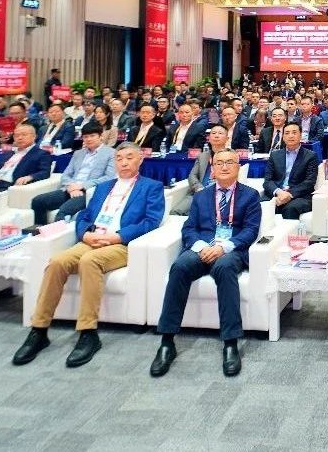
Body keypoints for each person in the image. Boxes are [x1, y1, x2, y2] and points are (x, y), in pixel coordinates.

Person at [14, 143, 164, 368]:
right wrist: (85, 234)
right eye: (119, 158)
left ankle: (88, 332)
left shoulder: (151, 187)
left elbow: (151, 221)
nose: (124, 162)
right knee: (57, 262)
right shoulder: (103, 187)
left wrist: (117, 236)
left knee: (89, 261)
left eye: (129, 157)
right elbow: (84, 215)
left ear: (140, 159)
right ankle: (39, 329)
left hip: (121, 244)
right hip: (92, 239)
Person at [151, 152, 261, 378]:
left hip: (231, 250)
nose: (224, 167)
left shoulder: (250, 196)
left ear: (238, 166)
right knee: (180, 267)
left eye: (229, 162)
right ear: (212, 168)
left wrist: (223, 247)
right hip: (202, 247)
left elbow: (250, 230)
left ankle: (230, 342)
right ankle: (167, 341)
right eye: (219, 163)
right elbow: (189, 228)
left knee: (224, 268)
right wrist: (201, 247)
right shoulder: (201, 196)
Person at [30, 122, 116, 225]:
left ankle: (56, 235)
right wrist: (71, 187)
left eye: (92, 136)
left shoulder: (111, 153)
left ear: (101, 136)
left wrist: (82, 186)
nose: (88, 139)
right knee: (38, 201)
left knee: (63, 212)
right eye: (85, 137)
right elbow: (66, 174)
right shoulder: (78, 153)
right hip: (70, 189)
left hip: (89, 191)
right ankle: (40, 231)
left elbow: (109, 178)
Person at [263, 122, 319, 220]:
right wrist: (279, 192)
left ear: (300, 135)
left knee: (290, 209)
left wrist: (289, 194)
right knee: (260, 203)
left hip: (300, 196)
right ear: (283, 137)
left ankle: (289, 230)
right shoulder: (275, 155)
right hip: (278, 193)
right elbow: (267, 181)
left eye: (294, 132)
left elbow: (309, 182)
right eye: (287, 133)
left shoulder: (310, 156)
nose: (290, 136)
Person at [0, 122, 53, 191]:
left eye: (24, 135)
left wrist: (30, 177)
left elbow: (45, 172)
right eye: (16, 136)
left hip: (9, 186)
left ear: (34, 136)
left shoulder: (41, 153)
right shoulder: (10, 152)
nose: (20, 138)